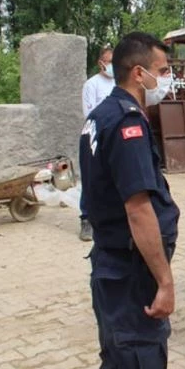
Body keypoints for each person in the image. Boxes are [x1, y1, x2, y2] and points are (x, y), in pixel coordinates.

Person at [79, 32, 179, 369]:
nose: (167, 80)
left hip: (111, 265)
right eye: (162, 71)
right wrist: (165, 282)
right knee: (138, 368)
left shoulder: (101, 115)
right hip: (131, 272)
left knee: (117, 364)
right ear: (139, 73)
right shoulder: (127, 123)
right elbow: (138, 210)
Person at [79, 45, 116, 241]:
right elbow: (89, 114)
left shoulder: (119, 84)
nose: (112, 66)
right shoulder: (91, 85)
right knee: (91, 177)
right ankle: (86, 219)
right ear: (100, 63)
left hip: (116, 138)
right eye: (109, 62)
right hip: (95, 137)